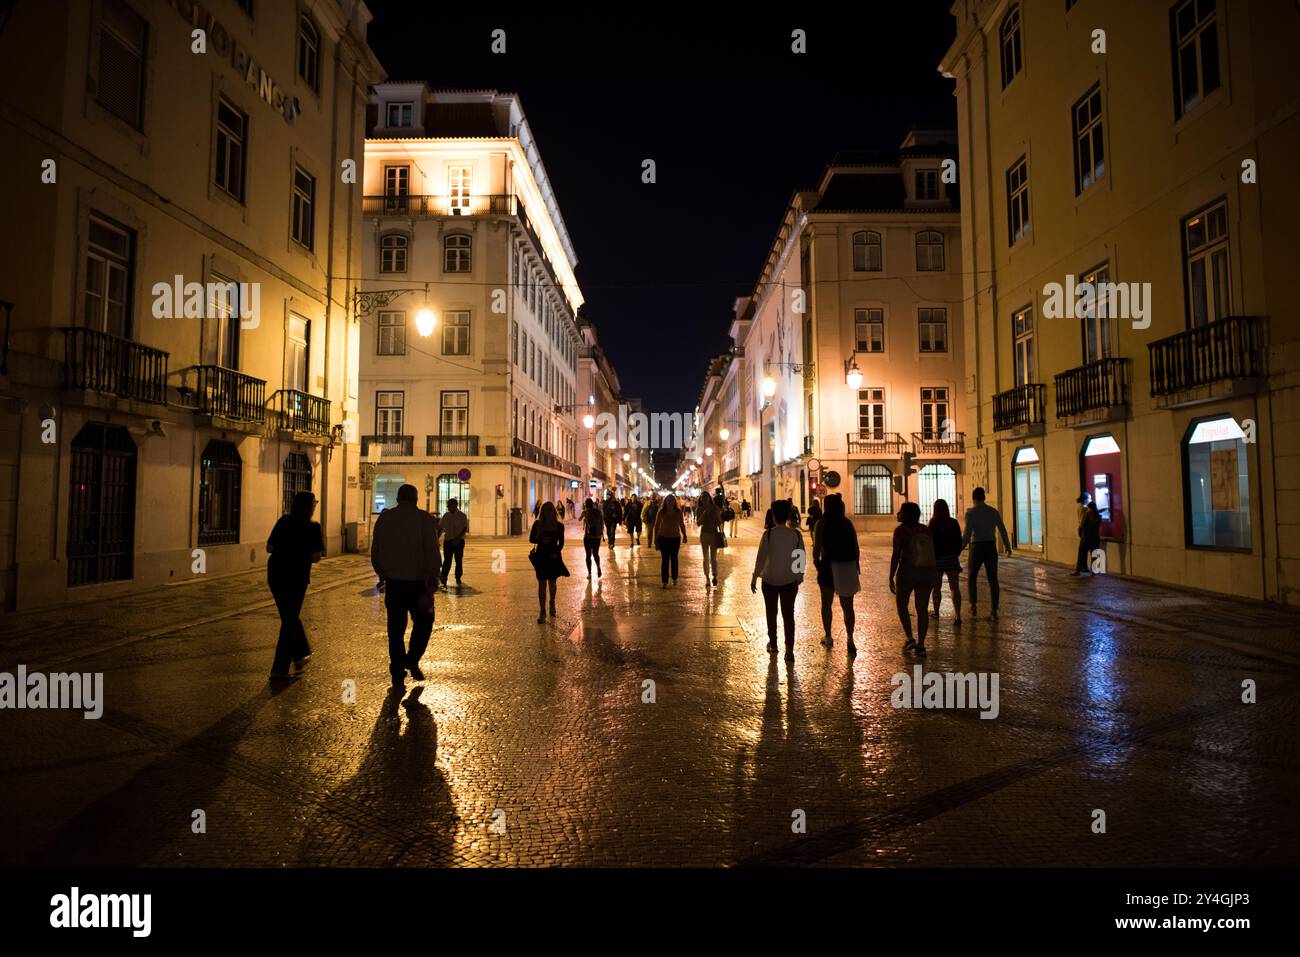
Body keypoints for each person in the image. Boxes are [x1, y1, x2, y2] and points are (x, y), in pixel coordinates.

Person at [371, 483, 441, 689]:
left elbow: (376, 550)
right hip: (419, 584)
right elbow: (432, 550)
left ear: (398, 499)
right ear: (416, 498)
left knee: (395, 629)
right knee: (425, 622)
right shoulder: (424, 519)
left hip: (395, 584)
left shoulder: (385, 519)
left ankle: (397, 669)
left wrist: (382, 573)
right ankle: (412, 658)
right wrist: (434, 576)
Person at [266, 491, 325, 680]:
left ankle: (300, 654)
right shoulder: (313, 527)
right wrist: (301, 552)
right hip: (296, 577)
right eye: (314, 503)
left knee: (288, 616)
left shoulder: (283, 521)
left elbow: (270, 547)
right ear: (310, 506)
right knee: (289, 621)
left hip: (276, 574)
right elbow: (316, 557)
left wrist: (286, 549)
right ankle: (279, 669)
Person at [752, 499, 804, 661]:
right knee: (789, 614)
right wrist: (799, 575)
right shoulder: (795, 534)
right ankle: (789, 650)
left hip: (769, 580)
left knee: (771, 612)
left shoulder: (768, 534)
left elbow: (761, 558)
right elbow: (800, 556)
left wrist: (754, 577)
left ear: (774, 515)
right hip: (789, 581)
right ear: (788, 515)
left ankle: (773, 644)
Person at [811, 492, 859, 654]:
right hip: (847, 565)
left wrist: (817, 563)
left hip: (828, 566)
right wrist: (856, 566)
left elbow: (816, 547)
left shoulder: (821, 524)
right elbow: (856, 546)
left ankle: (829, 636)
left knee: (826, 604)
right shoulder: (847, 523)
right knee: (848, 607)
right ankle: (850, 638)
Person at [890, 501, 937, 657]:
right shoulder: (925, 529)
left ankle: (909, 637)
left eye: (901, 511)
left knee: (902, 604)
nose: (899, 513)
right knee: (922, 608)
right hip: (927, 572)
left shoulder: (900, 531)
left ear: (906, 515)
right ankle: (921, 645)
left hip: (908, 571)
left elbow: (896, 554)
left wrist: (891, 575)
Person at [962, 486, 1012, 620]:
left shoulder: (971, 513)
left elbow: (967, 534)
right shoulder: (993, 512)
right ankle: (994, 610)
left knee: (972, 577)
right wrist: (1007, 546)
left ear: (973, 498)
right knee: (993, 579)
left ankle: (973, 606)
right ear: (984, 497)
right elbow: (1002, 529)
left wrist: (960, 547)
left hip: (976, 547)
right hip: (990, 546)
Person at [529, 501, 568, 622]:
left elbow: (561, 543)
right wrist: (541, 539)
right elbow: (531, 539)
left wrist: (555, 552)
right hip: (541, 556)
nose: (548, 512)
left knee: (552, 582)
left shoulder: (559, 526)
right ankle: (542, 611)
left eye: (550, 510)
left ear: (553, 511)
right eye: (545, 510)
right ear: (542, 512)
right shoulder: (537, 524)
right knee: (541, 583)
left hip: (553, 557)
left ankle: (552, 602)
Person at [928, 498, 963, 625]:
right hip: (952, 559)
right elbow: (959, 540)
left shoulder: (933, 523)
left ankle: (936, 612)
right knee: (955, 588)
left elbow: (929, 543)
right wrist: (956, 553)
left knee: (936, 588)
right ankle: (958, 615)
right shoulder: (953, 522)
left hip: (937, 560)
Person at [653, 494, 687, 587]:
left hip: (675, 538)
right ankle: (664, 581)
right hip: (663, 537)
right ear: (665, 502)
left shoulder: (678, 511)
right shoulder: (661, 512)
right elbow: (656, 526)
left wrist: (684, 535)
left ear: (674, 502)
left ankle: (674, 578)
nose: (670, 502)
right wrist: (655, 540)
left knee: (674, 559)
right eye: (668, 500)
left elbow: (681, 524)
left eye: (672, 500)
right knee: (665, 560)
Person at [438, 498, 468, 589]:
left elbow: (464, 529)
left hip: (459, 542)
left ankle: (458, 577)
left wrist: (457, 539)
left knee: (458, 560)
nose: (447, 506)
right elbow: (440, 528)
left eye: (449, 505)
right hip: (448, 541)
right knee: (447, 560)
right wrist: (437, 538)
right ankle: (444, 578)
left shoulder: (462, 516)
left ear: (455, 505)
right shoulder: (446, 516)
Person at [696, 493, 724, 587]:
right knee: (705, 557)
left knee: (713, 558)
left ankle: (715, 576)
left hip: (713, 534)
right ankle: (707, 577)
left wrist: (714, 515)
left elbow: (719, 522)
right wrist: (703, 515)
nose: (704, 499)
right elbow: (698, 523)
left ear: (709, 498)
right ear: (701, 499)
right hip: (704, 534)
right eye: (702, 497)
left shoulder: (715, 508)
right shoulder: (699, 509)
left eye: (706, 497)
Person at [581, 497, 604, 578]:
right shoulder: (598, 512)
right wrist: (601, 533)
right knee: (595, 554)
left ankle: (589, 574)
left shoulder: (585, 512)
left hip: (588, 537)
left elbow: (579, 519)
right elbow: (602, 523)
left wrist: (583, 515)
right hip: (597, 537)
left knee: (588, 555)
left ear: (586, 505)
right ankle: (598, 567)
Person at [1072, 493, 1093, 576]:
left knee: (1083, 550)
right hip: (1085, 530)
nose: (1091, 500)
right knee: (1083, 550)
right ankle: (1080, 569)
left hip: (1082, 530)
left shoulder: (1080, 507)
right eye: (1090, 498)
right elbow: (1083, 519)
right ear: (1085, 500)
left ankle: (1082, 567)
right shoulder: (1085, 508)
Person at [1080, 501, 1102, 575]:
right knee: (1094, 554)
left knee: (1083, 553)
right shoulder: (1098, 516)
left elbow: (1081, 525)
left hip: (1087, 538)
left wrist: (1081, 535)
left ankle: (1081, 569)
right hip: (1095, 538)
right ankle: (1094, 571)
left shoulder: (1087, 514)